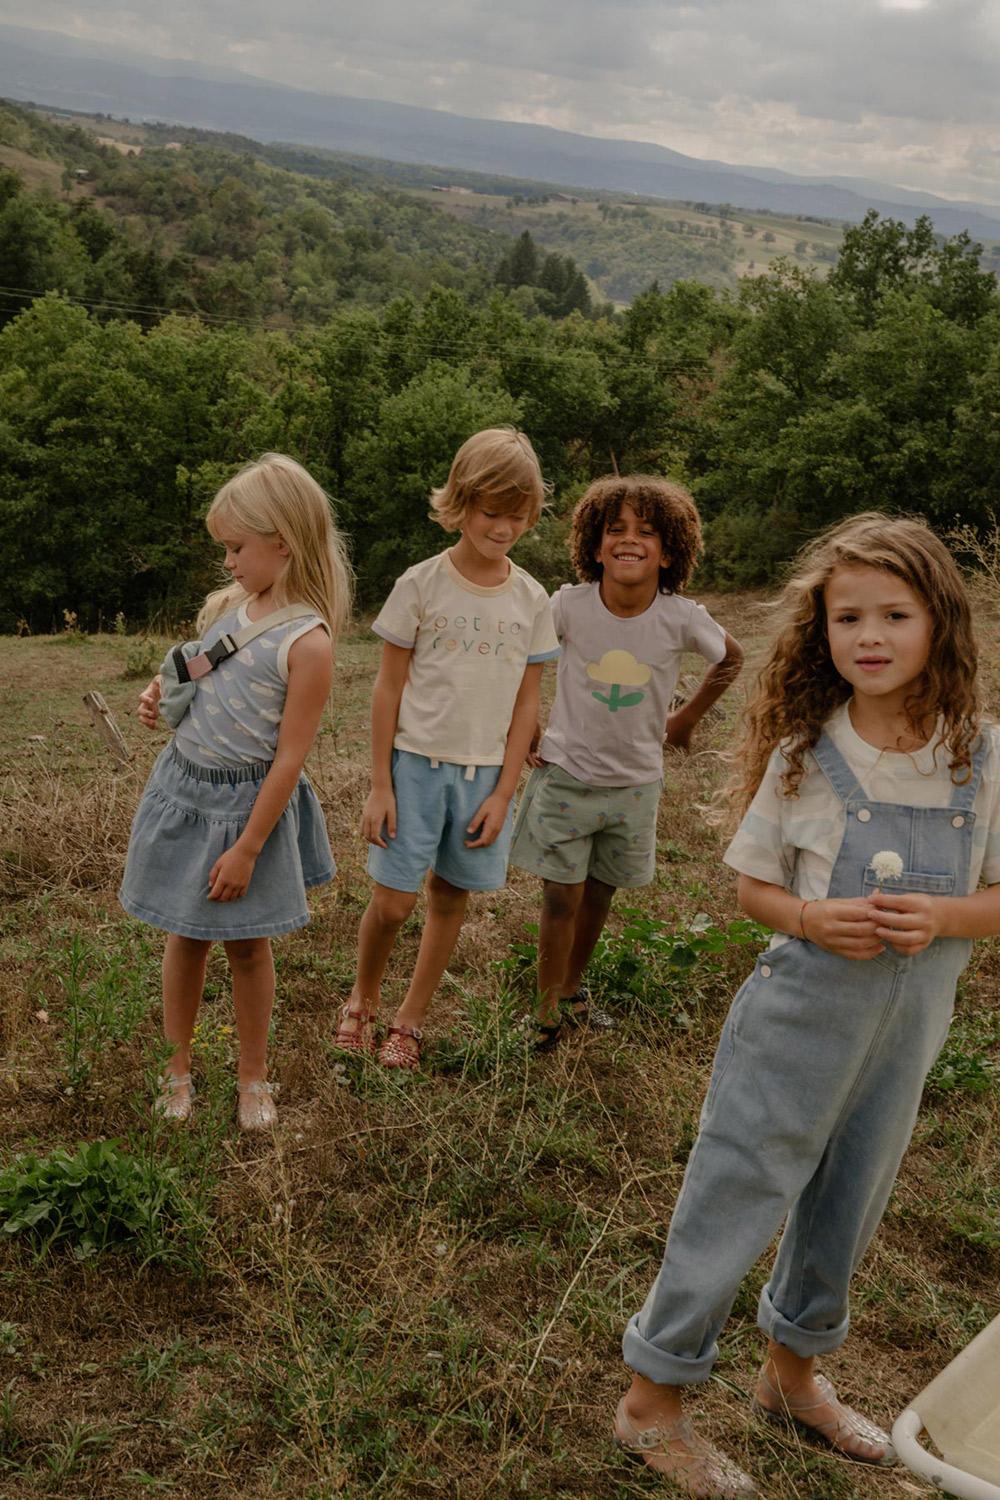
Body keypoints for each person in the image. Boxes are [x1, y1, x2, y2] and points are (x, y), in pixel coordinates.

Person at [614, 512, 1000, 1499]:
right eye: (846, 617)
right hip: (796, 1020)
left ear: (940, 622)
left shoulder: (982, 757)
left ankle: (791, 1377)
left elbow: (996, 896)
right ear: (821, 632)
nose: (869, 636)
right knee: (736, 1192)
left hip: (905, 1033)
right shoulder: (806, 752)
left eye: (894, 615)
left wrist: (946, 914)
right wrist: (810, 918)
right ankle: (652, 1401)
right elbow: (753, 889)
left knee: (850, 1200)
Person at [120, 453, 352, 1131]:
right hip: (188, 793)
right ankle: (176, 1070)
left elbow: (290, 758)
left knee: (249, 946)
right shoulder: (228, 610)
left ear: (284, 542)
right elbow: (198, 673)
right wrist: (158, 692)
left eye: (236, 547)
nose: (227, 562)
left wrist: (249, 847)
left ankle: (254, 1077)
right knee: (185, 935)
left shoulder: (307, 642)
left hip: (249, 810)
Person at [334, 427, 559, 1070]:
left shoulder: (532, 599)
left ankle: (409, 1020)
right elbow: (387, 687)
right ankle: (362, 999)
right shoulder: (420, 584)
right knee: (392, 902)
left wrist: (505, 792)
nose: (504, 527)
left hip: (484, 777)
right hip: (413, 768)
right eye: (491, 512)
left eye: (518, 515)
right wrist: (380, 784)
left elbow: (526, 705)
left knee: (449, 896)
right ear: (460, 504)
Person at [509, 475, 743, 1047]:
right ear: (595, 546)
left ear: (670, 552)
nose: (630, 539)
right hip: (566, 773)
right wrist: (527, 720)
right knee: (560, 896)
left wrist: (685, 720)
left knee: (599, 894)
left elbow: (731, 659)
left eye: (647, 531)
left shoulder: (680, 617)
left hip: (635, 785)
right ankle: (544, 1011)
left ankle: (571, 990)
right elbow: (523, 655)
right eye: (616, 529)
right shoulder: (568, 606)